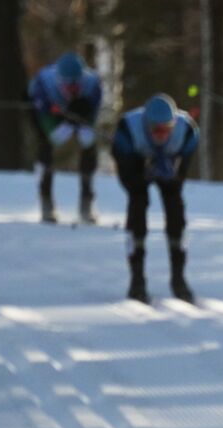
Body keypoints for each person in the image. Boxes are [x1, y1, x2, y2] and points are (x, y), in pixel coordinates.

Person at [111, 93, 200, 302]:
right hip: (135, 164)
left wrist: (175, 172)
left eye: (166, 130)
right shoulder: (127, 131)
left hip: (169, 162)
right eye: (155, 130)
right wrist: (142, 173)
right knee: (138, 207)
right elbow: (127, 180)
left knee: (176, 210)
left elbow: (181, 176)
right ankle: (137, 279)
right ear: (146, 125)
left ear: (173, 124)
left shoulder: (187, 131)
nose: (161, 135)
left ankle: (179, 278)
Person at [28, 51, 103, 225]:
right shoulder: (43, 85)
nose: (72, 89)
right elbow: (48, 128)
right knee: (45, 146)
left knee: (89, 146)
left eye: (77, 84)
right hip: (48, 113)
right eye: (68, 85)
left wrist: (83, 125)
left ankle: (87, 201)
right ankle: (46, 200)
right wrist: (63, 126)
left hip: (80, 111)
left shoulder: (93, 85)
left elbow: (92, 117)